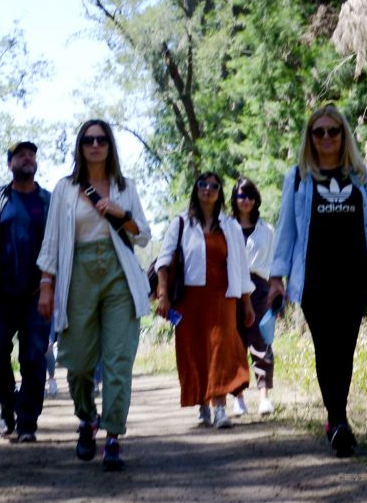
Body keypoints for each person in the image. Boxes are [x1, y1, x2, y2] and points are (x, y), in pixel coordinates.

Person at [266, 104, 367, 458]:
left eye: (333, 131)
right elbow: (287, 230)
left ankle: (336, 419)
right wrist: (276, 277)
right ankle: (337, 420)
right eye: (318, 132)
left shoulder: (362, 177)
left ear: (344, 136)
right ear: (309, 138)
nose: (326, 138)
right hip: (314, 278)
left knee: (345, 349)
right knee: (326, 348)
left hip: (353, 274)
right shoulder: (297, 177)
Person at [34, 119, 151, 473]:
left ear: (110, 145)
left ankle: (113, 436)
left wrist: (120, 212)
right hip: (78, 274)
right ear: (80, 147)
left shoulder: (124, 186)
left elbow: (142, 235)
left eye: (101, 139)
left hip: (118, 274)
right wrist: (46, 285)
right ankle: (87, 418)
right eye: (88, 140)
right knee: (80, 363)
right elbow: (52, 240)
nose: (95, 145)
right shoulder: (65, 189)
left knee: (118, 361)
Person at [157, 172, 253, 427]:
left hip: (223, 297)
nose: (208, 189)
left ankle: (220, 407)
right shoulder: (180, 223)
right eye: (202, 184)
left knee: (221, 348)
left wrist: (247, 303)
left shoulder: (230, 226)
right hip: (190, 298)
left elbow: (242, 268)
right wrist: (163, 296)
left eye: (213, 185)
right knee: (194, 350)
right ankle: (202, 403)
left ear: (220, 192)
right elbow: (163, 262)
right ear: (196, 189)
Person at [0, 140, 53, 442]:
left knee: (34, 357)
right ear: (9, 163)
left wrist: (52, 284)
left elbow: (60, 246)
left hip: (37, 293)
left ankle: (27, 422)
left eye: (32, 154)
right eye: (20, 154)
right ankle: (7, 406)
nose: (27, 158)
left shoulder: (48, 202)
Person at [232, 179, 277, 420]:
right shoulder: (226, 227)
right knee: (235, 342)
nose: (245, 200)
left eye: (250, 195)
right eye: (241, 196)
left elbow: (272, 260)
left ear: (256, 199)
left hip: (260, 285)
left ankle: (264, 397)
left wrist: (275, 288)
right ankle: (238, 398)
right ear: (234, 199)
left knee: (261, 341)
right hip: (232, 287)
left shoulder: (266, 229)